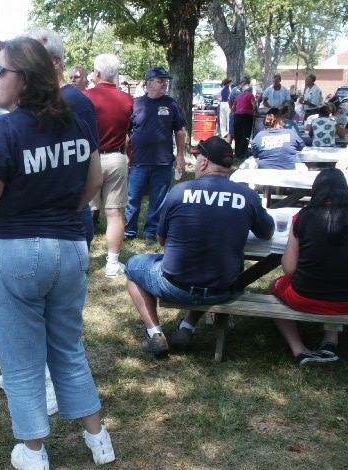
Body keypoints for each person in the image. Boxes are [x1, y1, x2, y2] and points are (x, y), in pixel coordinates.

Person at [0, 36, 113, 470]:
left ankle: (33, 453)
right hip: (69, 248)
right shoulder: (76, 122)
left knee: (22, 362)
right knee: (67, 347)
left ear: (25, 79)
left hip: (12, 250)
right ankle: (98, 438)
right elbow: (91, 184)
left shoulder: (3, 130)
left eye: (0, 71)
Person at [124, 136, 274, 357]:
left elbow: (162, 240)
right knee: (209, 263)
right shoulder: (248, 196)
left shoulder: (178, 191)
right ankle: (187, 327)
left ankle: (155, 332)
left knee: (133, 266)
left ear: (204, 163)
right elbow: (267, 232)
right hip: (222, 289)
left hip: (175, 286)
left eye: (197, 158)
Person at [27, 27, 99, 251]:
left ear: (56, 62)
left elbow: (90, 169)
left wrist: (72, 208)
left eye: (34, 58)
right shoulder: (40, 100)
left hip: (70, 220)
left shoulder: (75, 102)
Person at [271, 168, 348, 365]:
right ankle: (330, 339)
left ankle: (299, 350)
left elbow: (289, 268)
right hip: (345, 300)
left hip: (305, 297)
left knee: (274, 288)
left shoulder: (302, 217)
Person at [84, 54, 133, 277]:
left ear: (97, 73)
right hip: (116, 157)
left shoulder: (86, 97)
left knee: (83, 208)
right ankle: (112, 264)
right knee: (114, 213)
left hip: (90, 157)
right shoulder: (127, 99)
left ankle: (81, 258)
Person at [125, 66, 187, 246]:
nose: (164, 84)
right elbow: (127, 133)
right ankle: (129, 230)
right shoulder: (136, 104)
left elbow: (180, 131)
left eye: (165, 81)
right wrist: (125, 154)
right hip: (138, 161)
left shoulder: (171, 104)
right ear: (149, 83)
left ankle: (151, 231)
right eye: (160, 81)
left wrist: (181, 156)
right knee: (133, 197)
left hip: (163, 160)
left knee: (158, 200)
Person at [232, 84, 255, 158]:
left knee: (238, 135)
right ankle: (243, 153)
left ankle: (237, 153)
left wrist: (234, 113)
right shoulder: (250, 95)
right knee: (245, 134)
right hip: (247, 116)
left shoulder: (238, 96)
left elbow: (233, 107)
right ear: (250, 90)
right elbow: (254, 104)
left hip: (237, 116)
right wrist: (256, 111)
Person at [228, 76, 251, 143]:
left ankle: (241, 147)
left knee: (242, 131)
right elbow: (230, 100)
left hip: (245, 114)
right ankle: (228, 147)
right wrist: (232, 110)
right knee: (232, 131)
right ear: (244, 82)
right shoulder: (236, 90)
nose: (248, 84)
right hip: (235, 113)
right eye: (247, 82)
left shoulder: (249, 90)